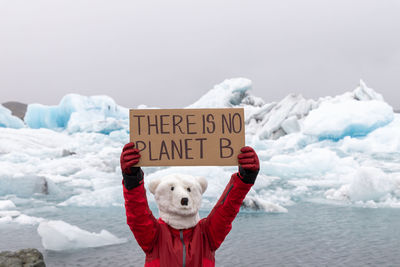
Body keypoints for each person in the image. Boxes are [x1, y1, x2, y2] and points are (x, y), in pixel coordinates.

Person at [120, 142, 259, 266]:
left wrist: (245, 178)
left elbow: (226, 210)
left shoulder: (207, 234)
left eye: (188, 190)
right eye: (172, 189)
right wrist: (132, 180)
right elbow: (138, 216)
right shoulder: (154, 236)